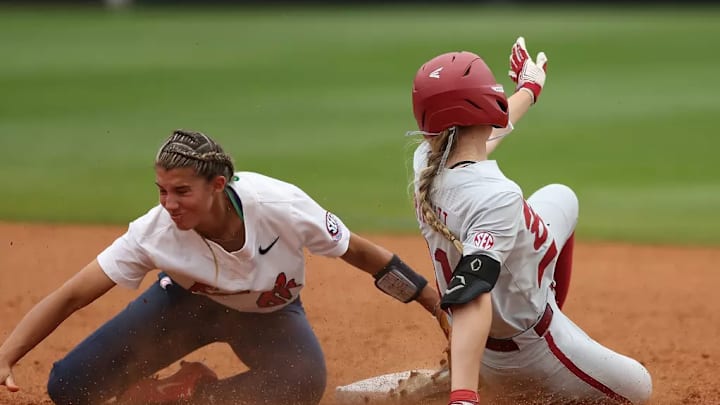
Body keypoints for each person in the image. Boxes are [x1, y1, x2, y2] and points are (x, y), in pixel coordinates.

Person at [0, 129, 442, 405]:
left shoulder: (281, 205)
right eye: (161, 191)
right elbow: (73, 295)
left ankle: (189, 393)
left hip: (269, 317)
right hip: (184, 308)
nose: (169, 204)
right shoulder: (155, 231)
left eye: (181, 191)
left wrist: (430, 300)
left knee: (302, 382)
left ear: (217, 185)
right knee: (69, 388)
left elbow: (361, 254)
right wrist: (6, 355)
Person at [408, 37, 653, 404]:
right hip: (525, 353)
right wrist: (464, 395)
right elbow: (472, 297)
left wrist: (529, 88)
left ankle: (548, 307)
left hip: (496, 326)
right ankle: (511, 382)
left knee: (561, 197)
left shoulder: (426, 161)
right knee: (640, 388)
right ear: (485, 103)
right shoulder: (497, 196)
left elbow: (476, 138)